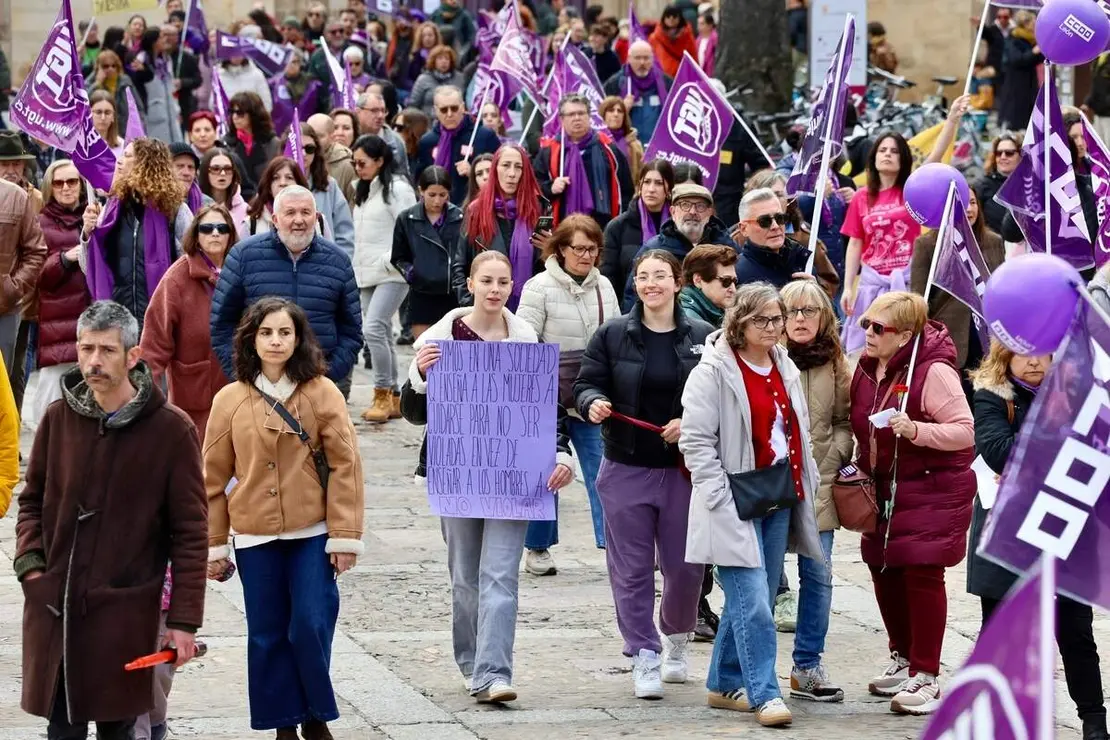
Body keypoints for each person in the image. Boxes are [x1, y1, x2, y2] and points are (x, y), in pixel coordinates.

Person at [15, 300, 206, 739]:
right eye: (86, 349)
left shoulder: (170, 430)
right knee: (62, 730)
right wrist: (32, 565)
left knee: (120, 731)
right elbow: (31, 500)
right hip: (57, 608)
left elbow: (191, 534)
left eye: (106, 350)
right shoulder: (58, 417)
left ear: (133, 355)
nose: (93, 361)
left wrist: (182, 623)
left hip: (126, 616)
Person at [400, 251, 573, 703]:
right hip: (458, 473)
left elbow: (546, 409)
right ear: (471, 284)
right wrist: (420, 374)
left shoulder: (526, 340)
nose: (495, 290)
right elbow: (415, 414)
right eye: (487, 281)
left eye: (503, 282)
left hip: (514, 476)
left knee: (501, 576)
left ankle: (494, 672)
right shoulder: (440, 339)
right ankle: (471, 660)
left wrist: (560, 453)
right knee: (465, 579)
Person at [205, 297, 364, 740]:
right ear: (251, 340)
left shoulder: (321, 392)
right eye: (266, 333)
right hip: (255, 536)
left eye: (285, 333)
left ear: (299, 339)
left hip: (312, 532)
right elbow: (211, 479)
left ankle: (315, 714)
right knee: (267, 633)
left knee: (311, 622)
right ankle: (282, 725)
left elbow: (346, 464)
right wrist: (215, 544)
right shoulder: (229, 400)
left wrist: (345, 535)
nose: (276, 341)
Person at [679, 282, 824, 727]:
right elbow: (695, 442)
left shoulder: (784, 365)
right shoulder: (713, 370)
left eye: (776, 319)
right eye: (761, 320)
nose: (772, 328)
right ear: (739, 323)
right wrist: (720, 496)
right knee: (754, 600)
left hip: (778, 492)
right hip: (733, 498)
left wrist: (807, 475)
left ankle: (724, 683)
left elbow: (794, 428)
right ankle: (765, 693)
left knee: (754, 595)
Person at [574, 249, 713, 700]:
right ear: (634, 283)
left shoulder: (705, 337)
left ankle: (676, 637)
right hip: (625, 467)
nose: (651, 284)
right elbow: (585, 383)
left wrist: (689, 422)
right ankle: (643, 652)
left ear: (678, 283)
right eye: (642, 276)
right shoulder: (612, 334)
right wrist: (591, 402)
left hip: (684, 472)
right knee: (630, 570)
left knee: (686, 568)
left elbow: (719, 399)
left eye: (660, 276)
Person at [966, 343, 1109, 740]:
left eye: (1041, 354)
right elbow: (998, 452)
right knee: (999, 630)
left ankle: (1094, 722)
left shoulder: (1080, 392)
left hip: (1065, 529)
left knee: (1075, 630)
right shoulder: (992, 392)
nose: (1032, 361)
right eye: (1021, 353)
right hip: (1007, 533)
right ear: (1003, 355)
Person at [849, 291, 975, 715]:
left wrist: (917, 430)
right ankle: (903, 658)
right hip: (882, 488)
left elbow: (964, 431)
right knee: (882, 569)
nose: (867, 332)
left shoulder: (934, 371)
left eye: (877, 328)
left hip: (930, 486)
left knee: (922, 574)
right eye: (866, 322)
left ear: (904, 336)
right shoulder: (867, 369)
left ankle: (927, 675)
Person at [516, 214, 621, 571]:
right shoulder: (538, 287)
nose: (586, 255)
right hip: (549, 396)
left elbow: (616, 338)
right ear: (561, 249)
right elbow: (525, 342)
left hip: (594, 395)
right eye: (578, 248)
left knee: (604, 473)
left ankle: (614, 543)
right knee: (546, 471)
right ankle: (538, 546)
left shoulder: (604, 286)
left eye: (592, 248)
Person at [211, 185, 362, 388]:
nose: (298, 220)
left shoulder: (338, 262)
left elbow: (351, 332)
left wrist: (325, 376)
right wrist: (245, 375)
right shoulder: (243, 256)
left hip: (320, 385)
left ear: (316, 218)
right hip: (257, 385)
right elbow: (222, 325)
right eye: (290, 212)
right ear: (275, 219)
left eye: (305, 212)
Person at [779, 279, 851, 703]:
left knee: (818, 576)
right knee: (764, 577)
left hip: (820, 483)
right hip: (771, 482)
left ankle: (807, 665)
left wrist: (834, 456)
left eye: (810, 311)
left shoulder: (837, 364)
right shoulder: (766, 358)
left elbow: (845, 422)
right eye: (792, 312)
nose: (801, 319)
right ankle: (747, 668)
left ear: (824, 318)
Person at [140, 204, 235, 434]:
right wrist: (144, 404)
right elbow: (154, 345)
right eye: (207, 228)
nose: (215, 233)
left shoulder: (239, 272)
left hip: (236, 395)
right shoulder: (176, 279)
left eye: (222, 228)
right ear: (195, 234)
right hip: (194, 399)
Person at [82, 139, 192, 335]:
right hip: (118, 320)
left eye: (128, 156)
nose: (119, 161)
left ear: (146, 163)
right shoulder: (112, 209)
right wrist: (88, 234)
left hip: (161, 319)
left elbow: (190, 264)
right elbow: (90, 265)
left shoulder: (175, 211)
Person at [910, 188, 1005, 396]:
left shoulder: (994, 241)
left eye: (972, 202)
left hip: (988, 337)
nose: (968, 209)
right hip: (949, 338)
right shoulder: (927, 244)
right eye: (961, 204)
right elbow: (918, 300)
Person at [350, 135, 418, 423]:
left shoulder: (397, 189)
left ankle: (382, 391)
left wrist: (388, 259)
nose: (357, 168)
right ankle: (393, 395)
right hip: (366, 271)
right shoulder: (363, 190)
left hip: (393, 270)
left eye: (362, 162)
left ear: (380, 161)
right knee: (380, 332)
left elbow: (410, 230)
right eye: (354, 163)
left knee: (374, 328)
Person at [839, 133, 920, 352]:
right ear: (874, 157)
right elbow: (855, 243)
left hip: (906, 283)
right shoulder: (861, 197)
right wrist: (847, 288)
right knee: (867, 346)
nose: (887, 155)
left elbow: (934, 161)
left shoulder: (913, 192)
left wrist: (951, 121)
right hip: (871, 285)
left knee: (904, 345)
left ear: (903, 159)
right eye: (883, 150)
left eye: (894, 151)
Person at [31, 161, 90, 428]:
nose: (66, 188)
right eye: (59, 183)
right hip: (58, 326)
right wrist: (64, 259)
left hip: (91, 321)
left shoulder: (94, 217)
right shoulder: (40, 223)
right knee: (52, 405)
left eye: (72, 181)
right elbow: (38, 277)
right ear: (49, 188)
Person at [450, 145, 547, 310]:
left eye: (518, 167)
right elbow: (460, 264)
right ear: (495, 169)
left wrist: (549, 250)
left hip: (529, 309)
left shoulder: (537, 209)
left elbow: (546, 269)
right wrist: (469, 303)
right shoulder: (476, 210)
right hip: (485, 308)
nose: (512, 173)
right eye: (506, 165)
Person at [623, 182, 736, 310]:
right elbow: (632, 297)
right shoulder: (653, 249)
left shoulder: (727, 248)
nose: (692, 212)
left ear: (710, 213)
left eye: (700, 206)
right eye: (685, 205)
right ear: (673, 211)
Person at [534, 94, 632, 229]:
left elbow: (626, 190)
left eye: (581, 113)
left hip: (603, 228)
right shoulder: (549, 152)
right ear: (562, 119)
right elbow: (534, 187)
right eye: (571, 114)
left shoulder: (609, 148)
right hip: (561, 228)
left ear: (589, 116)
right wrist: (550, 187)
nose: (577, 118)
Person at [390, 165, 461, 339]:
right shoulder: (406, 219)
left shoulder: (459, 217)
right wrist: (413, 273)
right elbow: (398, 257)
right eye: (432, 195)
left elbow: (465, 254)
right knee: (424, 352)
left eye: (442, 195)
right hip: (422, 293)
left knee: (454, 354)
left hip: (452, 293)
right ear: (420, 191)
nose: (437, 201)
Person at [416, 86, 500, 205]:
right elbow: (420, 180)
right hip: (439, 208)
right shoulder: (427, 141)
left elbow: (499, 173)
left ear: (463, 107)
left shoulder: (484, 135)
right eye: (444, 110)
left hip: (474, 206)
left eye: (454, 108)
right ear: (435, 111)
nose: (450, 114)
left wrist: (473, 172)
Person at [602, 159, 673, 299]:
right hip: (627, 311)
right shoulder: (617, 227)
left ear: (669, 188)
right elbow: (608, 278)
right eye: (647, 182)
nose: (651, 189)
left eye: (659, 183)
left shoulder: (677, 227)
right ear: (639, 185)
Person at [733, 187, 823, 289]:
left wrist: (816, 294)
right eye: (765, 221)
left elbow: (829, 304)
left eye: (780, 218)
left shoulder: (801, 259)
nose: (775, 226)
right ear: (744, 229)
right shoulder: (736, 275)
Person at [301, 123, 356, 256]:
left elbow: (345, 233)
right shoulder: (276, 184)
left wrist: (338, 266)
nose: (303, 153)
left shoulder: (329, 185)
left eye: (309, 148)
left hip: (324, 267)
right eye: (298, 147)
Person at [603, 40, 671, 143]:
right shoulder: (615, 84)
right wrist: (622, 109)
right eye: (637, 58)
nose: (642, 62)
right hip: (630, 147)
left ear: (652, 59)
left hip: (658, 147)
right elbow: (603, 119)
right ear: (629, 59)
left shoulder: (666, 83)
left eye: (646, 58)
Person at [223, 92, 283, 195]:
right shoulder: (225, 144)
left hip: (266, 198)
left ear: (254, 114)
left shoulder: (273, 143)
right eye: (231, 112)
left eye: (240, 112)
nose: (234, 117)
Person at [240, 157, 316, 238]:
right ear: (268, 186)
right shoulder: (251, 224)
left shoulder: (318, 221)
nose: (282, 183)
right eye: (276, 178)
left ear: (299, 184)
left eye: (289, 178)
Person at [136, 28, 184, 145]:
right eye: (161, 37)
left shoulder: (166, 60)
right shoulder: (142, 60)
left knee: (175, 147)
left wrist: (177, 110)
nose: (165, 39)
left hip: (170, 112)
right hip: (152, 113)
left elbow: (171, 88)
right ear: (153, 42)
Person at [998, 10, 1042, 132]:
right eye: (1032, 24)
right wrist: (1033, 52)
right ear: (1025, 24)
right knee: (1016, 120)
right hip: (1016, 87)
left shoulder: (1031, 40)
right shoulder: (1014, 38)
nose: (1034, 27)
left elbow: (1036, 60)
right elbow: (1016, 59)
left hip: (1029, 85)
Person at [972, 133, 1023, 234]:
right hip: (993, 246)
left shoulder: (1030, 185)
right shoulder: (982, 185)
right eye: (998, 153)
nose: (1003, 157)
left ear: (1021, 155)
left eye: (1009, 153)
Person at [87, 50, 144, 137]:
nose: (110, 69)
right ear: (99, 67)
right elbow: (83, 104)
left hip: (124, 133)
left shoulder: (125, 82)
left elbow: (138, 108)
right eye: (106, 66)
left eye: (114, 66)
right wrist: (97, 83)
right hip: (99, 133)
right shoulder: (91, 82)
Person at [679, 244, 737, 328]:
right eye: (726, 281)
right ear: (698, 280)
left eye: (734, 281)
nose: (733, 289)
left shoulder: (716, 312)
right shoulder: (690, 321)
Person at [307, 113, 358, 204]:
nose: (313, 141)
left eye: (319, 136)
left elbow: (353, 204)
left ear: (332, 136)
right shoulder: (301, 159)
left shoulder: (346, 165)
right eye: (310, 135)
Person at [356, 92, 410, 177]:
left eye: (383, 110)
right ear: (358, 112)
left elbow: (403, 175)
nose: (380, 116)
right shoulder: (350, 136)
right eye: (374, 110)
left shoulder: (396, 141)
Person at [271, 52, 324, 138]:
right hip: (281, 134)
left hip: (306, 132)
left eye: (295, 62)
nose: (292, 65)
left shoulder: (312, 84)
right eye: (289, 61)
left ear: (301, 64)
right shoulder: (274, 84)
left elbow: (321, 108)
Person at [408, 45, 466, 118]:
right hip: (428, 121)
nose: (444, 61)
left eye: (447, 59)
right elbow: (413, 105)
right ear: (433, 61)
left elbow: (463, 102)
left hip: (453, 119)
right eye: (440, 58)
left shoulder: (460, 78)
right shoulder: (423, 79)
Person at [200, 148, 250, 234]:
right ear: (205, 172)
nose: (222, 173)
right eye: (215, 169)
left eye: (227, 169)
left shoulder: (246, 210)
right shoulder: (195, 205)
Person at [599, 95, 643, 185]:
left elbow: (642, 175)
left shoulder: (635, 145)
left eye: (620, 111)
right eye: (611, 110)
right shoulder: (595, 142)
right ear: (603, 115)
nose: (616, 114)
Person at [163, 24, 201, 124]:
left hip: (184, 103)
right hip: (164, 105)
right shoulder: (157, 57)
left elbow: (198, 80)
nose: (166, 38)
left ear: (177, 37)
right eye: (164, 35)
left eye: (170, 35)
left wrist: (182, 82)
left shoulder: (187, 57)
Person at [648, 5, 697, 78]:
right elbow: (650, 59)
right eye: (668, 16)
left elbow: (693, 59)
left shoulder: (687, 36)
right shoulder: (654, 38)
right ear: (663, 18)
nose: (671, 19)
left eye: (674, 16)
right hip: (661, 79)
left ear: (680, 18)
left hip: (683, 78)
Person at [90, 90, 125, 161]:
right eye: (98, 112)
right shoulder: (78, 145)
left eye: (107, 113)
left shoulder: (122, 146)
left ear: (113, 117)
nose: (103, 118)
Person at [396, 107, 431, 179]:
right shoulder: (395, 153)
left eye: (400, 128)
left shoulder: (426, 157)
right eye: (394, 126)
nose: (395, 131)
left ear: (414, 129)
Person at [696, 10, 717, 76]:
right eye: (698, 24)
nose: (699, 26)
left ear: (710, 25)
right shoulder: (697, 40)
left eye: (702, 24)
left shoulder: (715, 39)